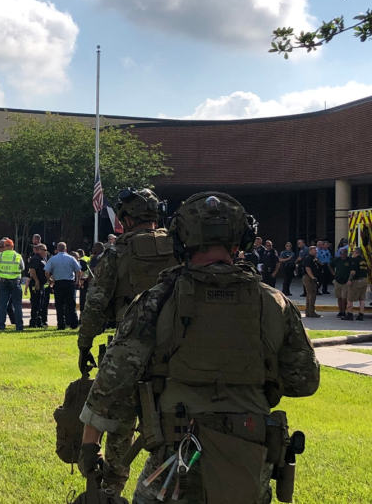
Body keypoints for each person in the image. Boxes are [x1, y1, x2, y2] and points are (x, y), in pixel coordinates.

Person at [78, 192, 320, 504]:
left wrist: (89, 444)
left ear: (181, 240)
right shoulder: (274, 303)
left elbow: (113, 380)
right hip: (249, 457)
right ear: (242, 241)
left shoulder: (157, 300)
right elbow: (305, 381)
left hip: (176, 457)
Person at [76, 188, 176, 495]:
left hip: (128, 348)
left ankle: (111, 490)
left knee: (119, 425)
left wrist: (84, 343)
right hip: (176, 350)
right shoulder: (180, 248)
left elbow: (95, 304)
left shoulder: (117, 253)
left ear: (126, 219)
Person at [44, 243, 81, 331]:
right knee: (71, 304)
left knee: (59, 305)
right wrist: (77, 280)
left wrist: (50, 280)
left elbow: (46, 272)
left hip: (58, 283)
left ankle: (61, 324)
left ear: (57, 249)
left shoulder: (53, 259)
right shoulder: (71, 258)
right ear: (66, 249)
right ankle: (74, 323)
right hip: (69, 283)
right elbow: (78, 270)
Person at [0, 238, 24, 331]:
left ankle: (1, 325)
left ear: (4, 246)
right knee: (17, 305)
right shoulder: (17, 256)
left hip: (3, 282)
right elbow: (22, 268)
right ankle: (19, 326)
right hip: (15, 282)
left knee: (3, 305)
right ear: (12, 246)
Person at [27, 243, 50, 328]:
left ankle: (39, 321)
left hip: (42, 284)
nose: (46, 252)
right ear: (39, 250)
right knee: (36, 303)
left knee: (41, 303)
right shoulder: (36, 259)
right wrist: (36, 281)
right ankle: (33, 322)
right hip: (36, 284)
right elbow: (32, 270)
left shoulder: (42, 259)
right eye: (44, 250)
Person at [346, 247, 369, 321]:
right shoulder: (363, 261)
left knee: (350, 298)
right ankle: (361, 314)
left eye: (353, 252)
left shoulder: (355, 260)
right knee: (362, 299)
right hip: (364, 280)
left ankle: (350, 314)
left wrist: (349, 279)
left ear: (356, 252)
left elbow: (353, 271)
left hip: (357, 281)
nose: (352, 253)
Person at [330, 247, 352, 318]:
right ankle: (340, 311)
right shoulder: (337, 260)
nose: (341, 254)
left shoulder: (349, 260)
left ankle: (344, 311)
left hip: (345, 282)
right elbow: (330, 265)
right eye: (340, 253)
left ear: (346, 253)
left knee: (344, 298)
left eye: (343, 253)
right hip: (337, 281)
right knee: (339, 297)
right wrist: (333, 273)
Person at [302, 245, 322, 318]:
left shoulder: (314, 258)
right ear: (310, 251)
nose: (316, 251)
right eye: (314, 250)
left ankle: (308, 311)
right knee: (312, 294)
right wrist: (313, 277)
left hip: (311, 277)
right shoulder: (308, 258)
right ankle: (311, 312)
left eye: (316, 250)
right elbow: (307, 268)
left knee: (309, 295)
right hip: (308, 277)